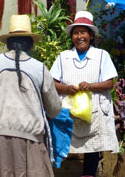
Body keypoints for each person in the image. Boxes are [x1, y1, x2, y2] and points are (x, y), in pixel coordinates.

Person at [0, 14, 61, 177]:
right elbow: (54, 109)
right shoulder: (39, 68)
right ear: (31, 44)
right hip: (27, 137)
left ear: (8, 43)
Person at [50, 10, 119, 177]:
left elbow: (110, 82)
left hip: (94, 110)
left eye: (83, 32)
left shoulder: (102, 55)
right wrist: (67, 89)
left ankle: (88, 174)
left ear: (91, 36)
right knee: (64, 141)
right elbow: (52, 82)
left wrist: (91, 86)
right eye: (75, 33)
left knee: (92, 145)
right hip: (70, 109)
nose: (79, 36)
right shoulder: (63, 57)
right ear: (71, 36)